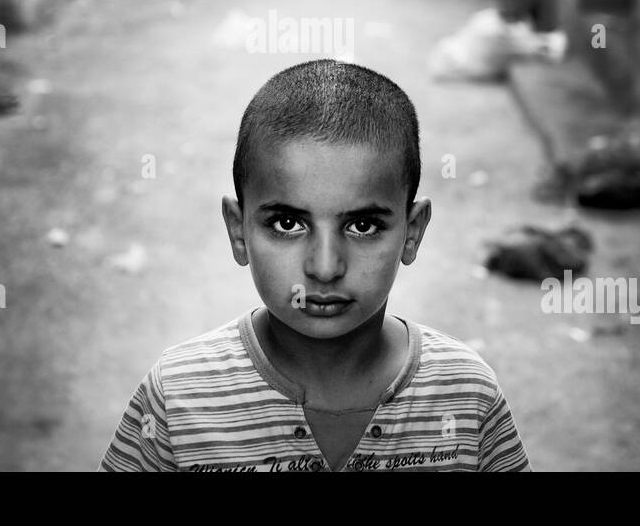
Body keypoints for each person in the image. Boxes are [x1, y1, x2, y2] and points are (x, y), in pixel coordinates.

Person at [99, 59, 531, 472]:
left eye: (362, 225)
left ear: (412, 232)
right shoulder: (179, 399)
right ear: (238, 231)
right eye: (287, 223)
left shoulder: (466, 396)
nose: (325, 268)